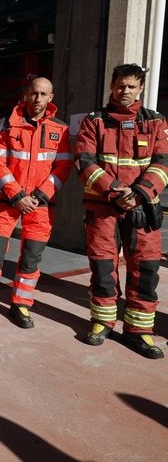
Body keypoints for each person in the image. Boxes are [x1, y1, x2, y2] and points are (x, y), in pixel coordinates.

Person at [75, 63, 167, 359]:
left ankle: (139, 332)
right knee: (103, 268)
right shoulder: (94, 121)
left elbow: (164, 164)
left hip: (143, 209)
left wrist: (139, 194)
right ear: (112, 86)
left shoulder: (156, 122)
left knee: (145, 270)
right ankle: (102, 322)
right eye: (120, 86)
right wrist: (116, 192)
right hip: (104, 209)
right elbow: (84, 162)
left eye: (130, 86)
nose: (124, 91)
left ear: (140, 88)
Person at [0, 78, 71, 328]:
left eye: (43, 94)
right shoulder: (6, 122)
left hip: (40, 205)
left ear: (51, 97)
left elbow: (63, 167)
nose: (37, 98)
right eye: (34, 93)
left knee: (31, 258)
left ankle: (21, 305)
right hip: (7, 202)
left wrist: (39, 196)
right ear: (26, 94)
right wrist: (17, 196)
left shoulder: (61, 129)